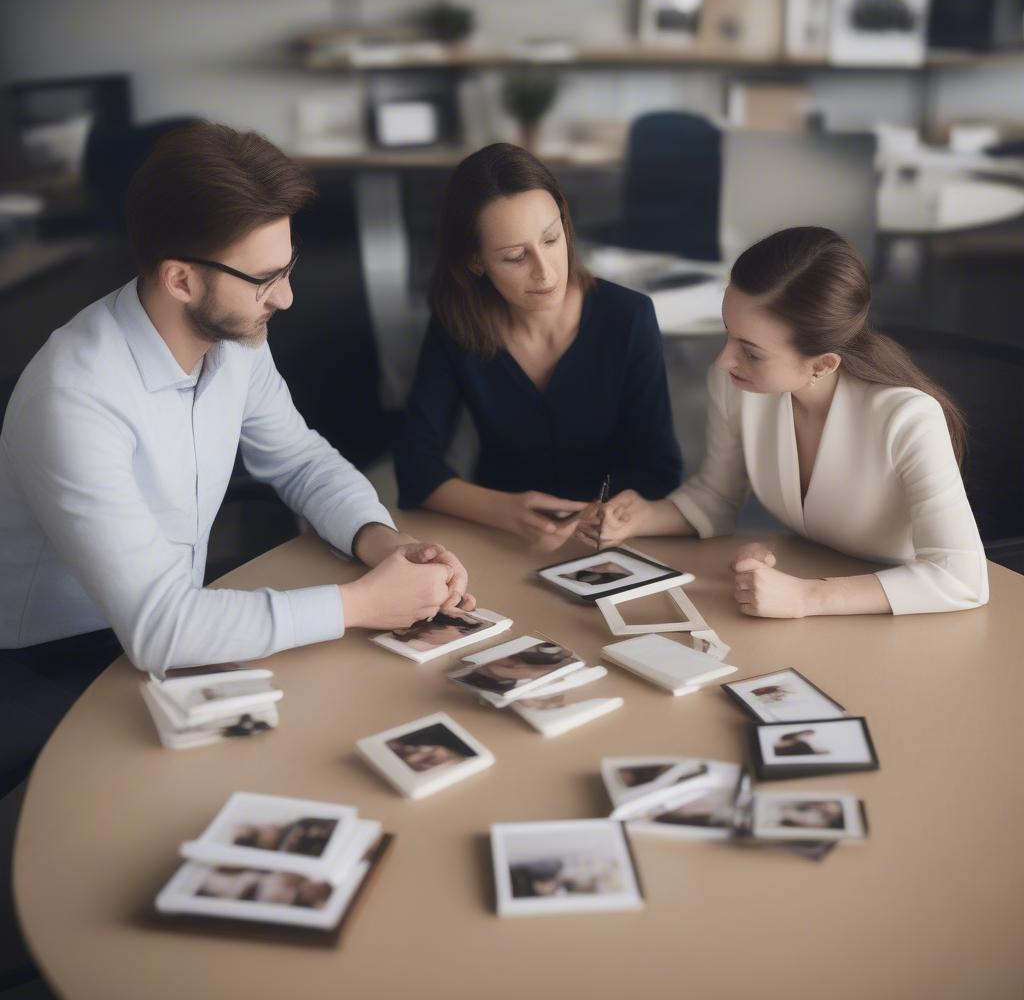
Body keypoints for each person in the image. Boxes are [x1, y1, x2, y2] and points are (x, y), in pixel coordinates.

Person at [0, 121, 475, 792]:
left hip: (172, 629)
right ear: (181, 280)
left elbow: (301, 459)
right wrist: (362, 604)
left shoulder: (236, 338)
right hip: (58, 665)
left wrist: (382, 544)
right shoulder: (74, 396)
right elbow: (161, 627)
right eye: (263, 279)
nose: (285, 297)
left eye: (288, 267)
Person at [579, 226, 989, 618]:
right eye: (728, 333)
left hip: (910, 612)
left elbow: (962, 577)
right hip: (818, 597)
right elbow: (716, 499)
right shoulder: (736, 386)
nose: (724, 361)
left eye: (752, 352)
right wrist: (643, 517)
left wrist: (808, 596)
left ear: (823, 364)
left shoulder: (907, 418)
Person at [393, 142, 683, 552]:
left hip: (610, 543)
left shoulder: (628, 317)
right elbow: (414, 470)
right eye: (514, 256)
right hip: (497, 539)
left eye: (551, 239)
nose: (545, 272)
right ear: (476, 261)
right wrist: (504, 511)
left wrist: (606, 514)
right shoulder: (456, 325)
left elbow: (661, 468)